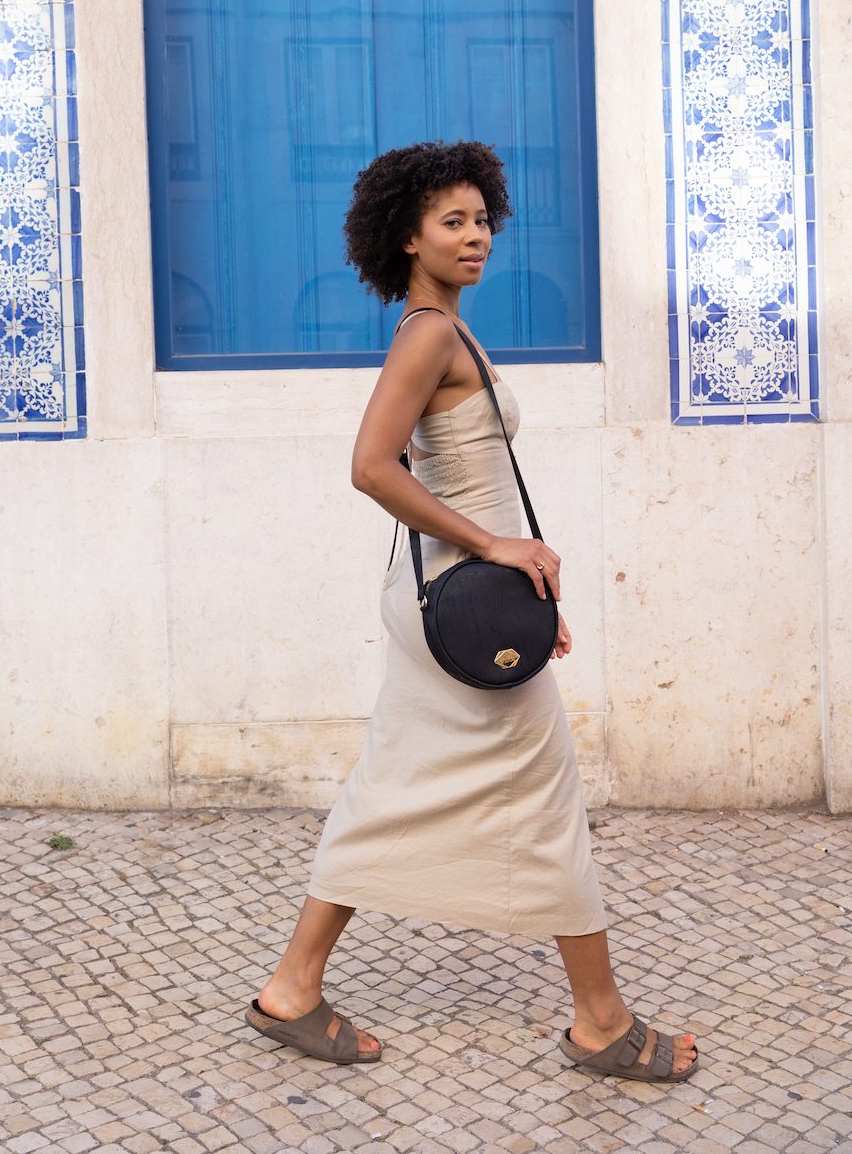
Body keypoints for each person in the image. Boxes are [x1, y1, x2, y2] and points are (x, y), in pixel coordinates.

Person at [246, 141, 699, 1082]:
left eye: (482, 218)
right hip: (459, 594)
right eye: (452, 221)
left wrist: (522, 604)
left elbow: (454, 473)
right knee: (546, 797)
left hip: (461, 605)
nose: (475, 236)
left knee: (394, 784)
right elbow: (371, 466)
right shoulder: (430, 335)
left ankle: (293, 985)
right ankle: (602, 1022)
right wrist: (496, 552)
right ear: (407, 237)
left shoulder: (446, 329)